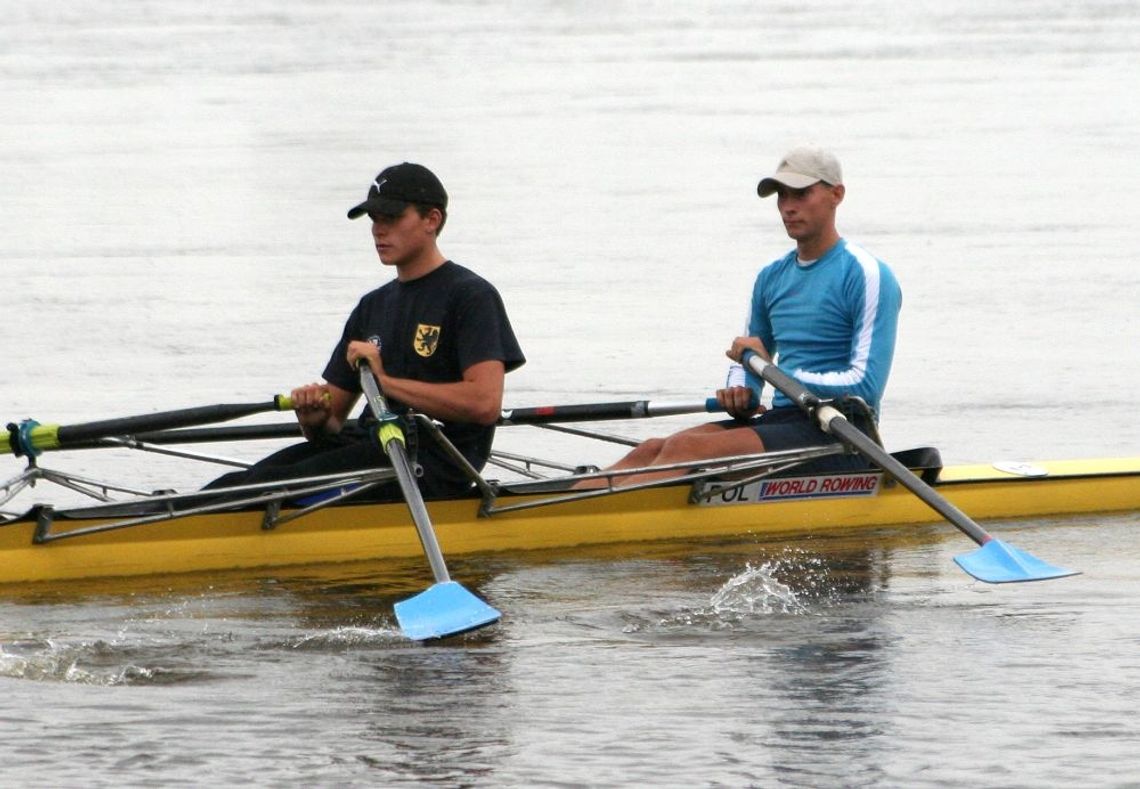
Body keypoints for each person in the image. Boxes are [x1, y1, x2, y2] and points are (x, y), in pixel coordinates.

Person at [582, 145, 901, 488]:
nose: (788, 207)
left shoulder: (867, 274)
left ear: (836, 194)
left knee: (689, 447)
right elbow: (748, 361)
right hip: (785, 419)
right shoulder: (771, 277)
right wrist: (741, 392)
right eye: (781, 195)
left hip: (843, 432)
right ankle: (542, 512)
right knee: (652, 448)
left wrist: (775, 373)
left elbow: (865, 386)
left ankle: (601, 517)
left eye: (801, 194)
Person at [206, 162, 525, 499]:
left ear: (432, 220)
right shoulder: (372, 306)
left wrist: (385, 383)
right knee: (247, 481)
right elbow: (332, 423)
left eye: (392, 218)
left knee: (270, 491)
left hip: (431, 459)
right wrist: (313, 415)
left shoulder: (471, 296)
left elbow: (484, 403)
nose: (378, 230)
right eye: (374, 219)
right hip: (375, 445)